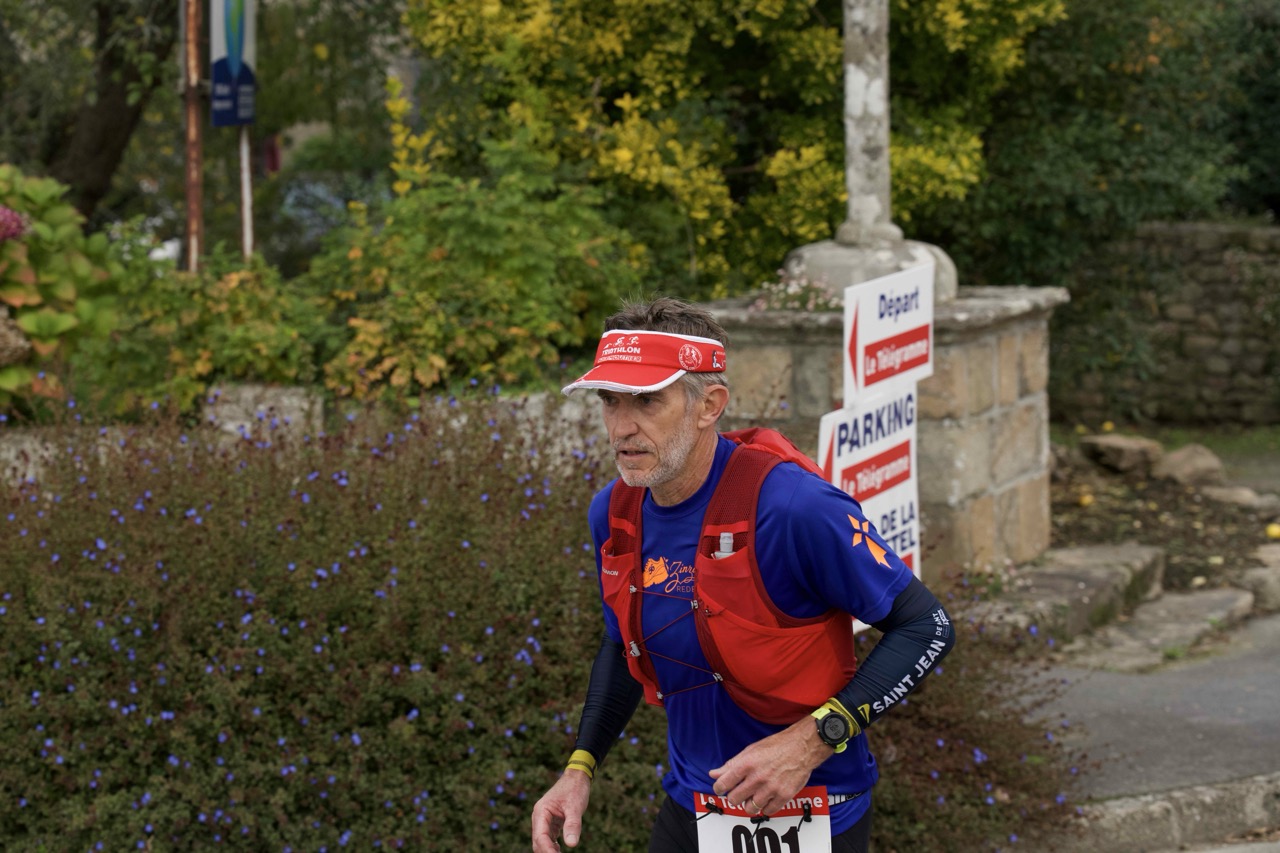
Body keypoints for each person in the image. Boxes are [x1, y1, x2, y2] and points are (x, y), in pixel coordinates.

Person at [531, 296, 955, 853]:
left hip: (813, 813)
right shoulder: (614, 512)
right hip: (692, 806)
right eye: (610, 401)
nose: (622, 426)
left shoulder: (794, 507)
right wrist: (579, 768)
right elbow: (620, 645)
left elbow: (927, 627)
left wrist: (811, 742)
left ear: (709, 405)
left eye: (647, 401)